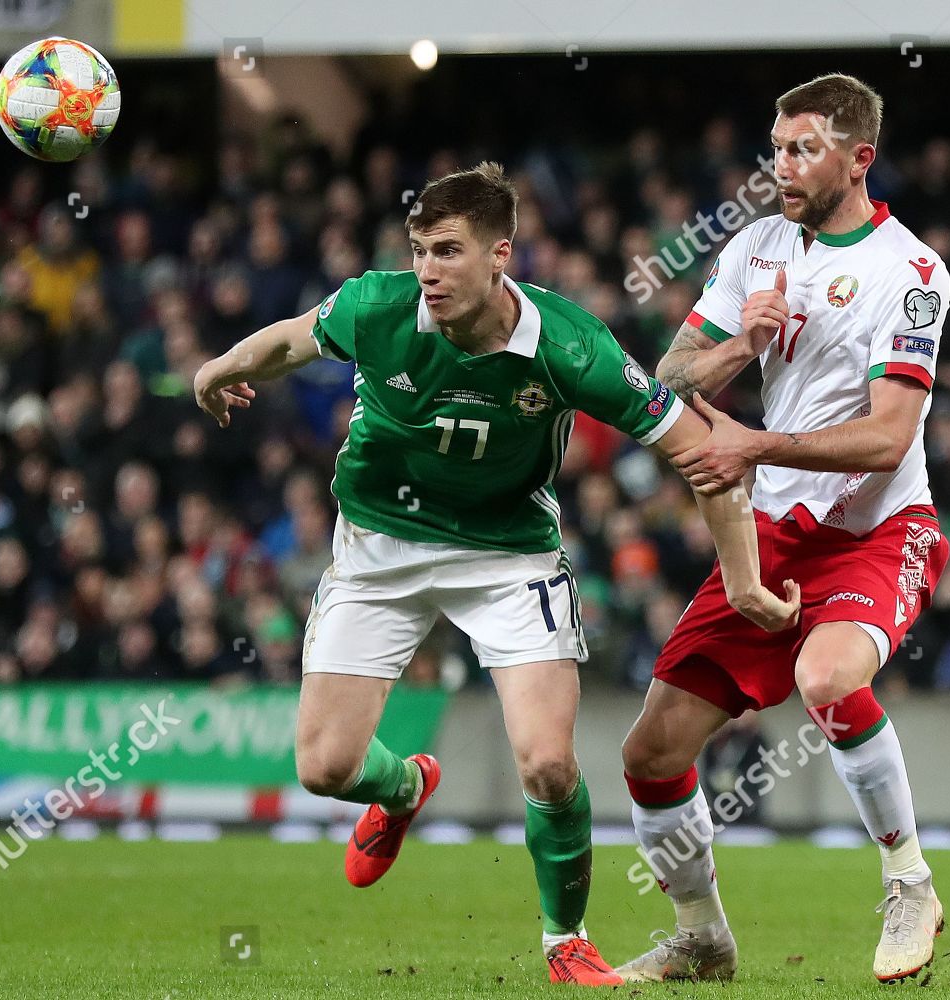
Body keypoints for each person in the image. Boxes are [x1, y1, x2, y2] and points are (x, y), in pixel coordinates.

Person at [194, 162, 799, 987]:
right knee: (324, 768)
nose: (427, 272)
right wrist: (218, 368)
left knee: (548, 763)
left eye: (447, 251)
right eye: (418, 251)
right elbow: (291, 339)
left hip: (508, 554)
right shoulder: (377, 308)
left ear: (500, 254)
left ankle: (565, 941)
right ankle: (404, 788)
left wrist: (744, 579)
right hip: (379, 547)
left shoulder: (569, 345)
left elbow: (705, 454)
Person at [616, 74, 950, 984]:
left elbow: (889, 439)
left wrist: (756, 440)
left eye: (803, 147)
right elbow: (668, 377)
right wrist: (739, 347)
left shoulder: (911, 272)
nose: (783, 165)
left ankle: (908, 880)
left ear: (859, 157)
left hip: (879, 528)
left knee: (827, 676)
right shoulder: (755, 247)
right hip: (772, 528)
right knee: (650, 753)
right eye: (776, 147)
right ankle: (700, 936)